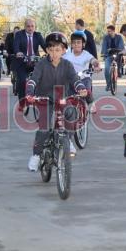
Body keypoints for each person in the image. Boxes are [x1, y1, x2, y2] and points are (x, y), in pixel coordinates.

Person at [22, 32, 88, 171]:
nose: (54, 53)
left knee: (71, 113)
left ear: (64, 51)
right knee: (44, 127)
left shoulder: (67, 65)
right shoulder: (41, 64)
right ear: (46, 50)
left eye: (58, 49)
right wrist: (29, 94)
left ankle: (68, 140)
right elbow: (33, 80)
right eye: (51, 49)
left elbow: (75, 80)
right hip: (44, 99)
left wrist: (81, 88)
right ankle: (36, 155)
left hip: (62, 99)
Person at [63, 30, 100, 109]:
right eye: (74, 42)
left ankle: (91, 102)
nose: (76, 44)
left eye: (79, 42)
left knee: (86, 90)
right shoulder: (67, 55)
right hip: (71, 79)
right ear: (71, 44)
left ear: (83, 44)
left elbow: (93, 60)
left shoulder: (86, 54)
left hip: (84, 78)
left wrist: (96, 65)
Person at [13, 19, 45, 100]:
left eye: (32, 26)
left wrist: (51, 53)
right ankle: (22, 102)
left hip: (35, 62)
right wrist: (17, 52)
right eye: (28, 26)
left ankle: (39, 98)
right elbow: (16, 46)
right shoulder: (19, 35)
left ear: (35, 27)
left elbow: (45, 46)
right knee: (22, 81)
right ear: (24, 27)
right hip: (22, 61)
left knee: (42, 79)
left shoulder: (38, 35)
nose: (30, 28)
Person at [101, 25, 125, 91]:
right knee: (106, 69)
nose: (108, 32)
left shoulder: (119, 37)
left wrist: (119, 51)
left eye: (110, 31)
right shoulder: (106, 38)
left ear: (114, 31)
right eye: (108, 31)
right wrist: (104, 54)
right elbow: (104, 46)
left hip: (117, 54)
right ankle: (108, 84)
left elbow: (121, 47)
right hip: (109, 55)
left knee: (119, 66)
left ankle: (119, 72)